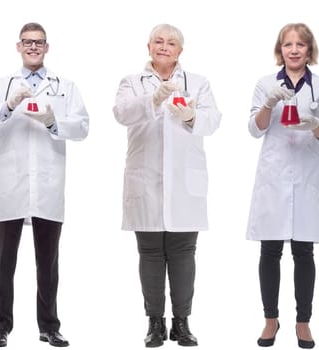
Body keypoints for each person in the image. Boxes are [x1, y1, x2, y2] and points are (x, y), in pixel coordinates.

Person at [0, 22, 89, 348]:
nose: (33, 47)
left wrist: (54, 121)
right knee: (3, 263)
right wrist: (8, 106)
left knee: (48, 264)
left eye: (39, 43)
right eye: (28, 42)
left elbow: (82, 126)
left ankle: (49, 327)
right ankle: (0, 327)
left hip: (48, 186)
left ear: (47, 47)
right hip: (12, 185)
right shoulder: (3, 85)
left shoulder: (64, 86)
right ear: (19, 46)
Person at [112, 23, 222, 348]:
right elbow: (121, 113)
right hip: (145, 182)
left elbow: (213, 119)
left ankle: (182, 323)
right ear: (148, 47)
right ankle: (155, 323)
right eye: (158, 41)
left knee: (184, 254)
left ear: (180, 51)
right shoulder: (132, 83)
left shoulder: (198, 83)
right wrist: (153, 98)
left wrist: (190, 116)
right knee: (149, 254)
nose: (164, 46)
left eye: (171, 42)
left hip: (185, 185)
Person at [246, 23, 319, 350]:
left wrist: (315, 125)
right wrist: (269, 103)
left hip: (306, 175)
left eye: (300, 44)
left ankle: (303, 322)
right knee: (269, 250)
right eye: (288, 44)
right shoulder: (265, 84)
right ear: (280, 49)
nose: (294, 50)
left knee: (304, 252)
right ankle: (271, 319)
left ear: (309, 50)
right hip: (273, 176)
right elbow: (255, 129)